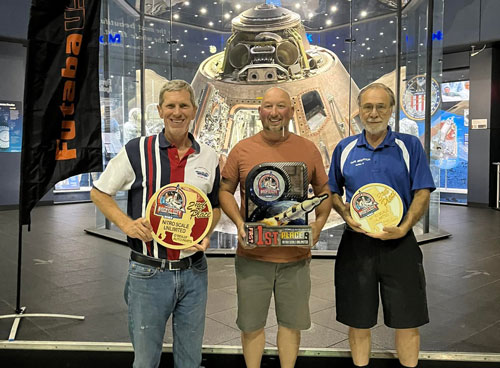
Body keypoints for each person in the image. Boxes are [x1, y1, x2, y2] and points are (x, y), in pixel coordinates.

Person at [90, 80, 221, 368]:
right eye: (171, 106)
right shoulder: (138, 150)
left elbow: (214, 206)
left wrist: (207, 232)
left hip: (194, 272)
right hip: (149, 272)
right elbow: (99, 192)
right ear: (161, 111)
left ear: (194, 110)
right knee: (146, 360)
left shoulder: (208, 156)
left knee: (190, 360)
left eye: (184, 105)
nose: (177, 112)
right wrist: (126, 224)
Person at [219, 87, 331, 368]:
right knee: (251, 324)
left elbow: (324, 190)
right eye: (268, 106)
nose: (274, 113)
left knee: (291, 325)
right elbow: (224, 190)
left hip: (295, 259)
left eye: (280, 106)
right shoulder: (242, 150)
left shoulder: (307, 149)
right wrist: (240, 222)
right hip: (253, 257)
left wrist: (318, 224)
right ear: (260, 111)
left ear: (291, 111)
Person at [328, 83, 436, 368]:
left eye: (380, 107)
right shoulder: (344, 147)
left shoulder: (408, 145)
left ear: (391, 110)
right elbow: (333, 192)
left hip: (400, 243)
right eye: (367, 107)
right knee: (358, 320)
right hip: (356, 245)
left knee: (408, 320)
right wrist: (345, 214)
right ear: (359, 111)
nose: (374, 113)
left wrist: (404, 228)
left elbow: (422, 191)